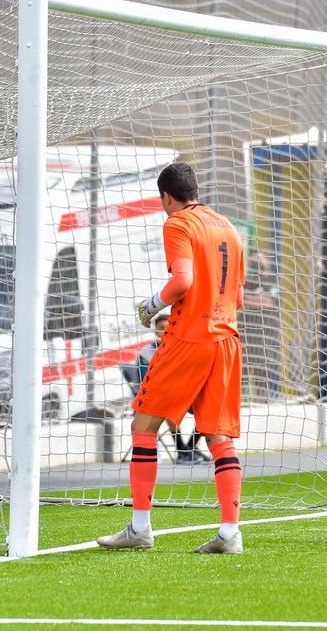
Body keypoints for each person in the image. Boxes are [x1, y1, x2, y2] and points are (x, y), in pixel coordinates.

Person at [96, 161, 246, 554]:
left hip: (188, 340)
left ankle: (140, 527)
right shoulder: (227, 226)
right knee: (218, 439)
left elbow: (183, 281)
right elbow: (238, 297)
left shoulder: (177, 224)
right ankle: (230, 534)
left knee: (144, 427)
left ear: (166, 197)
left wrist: (149, 307)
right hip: (227, 339)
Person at [134, 313, 209, 464]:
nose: (166, 330)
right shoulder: (146, 354)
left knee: (209, 409)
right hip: (158, 398)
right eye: (161, 328)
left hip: (186, 395)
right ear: (156, 332)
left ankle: (190, 448)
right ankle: (183, 451)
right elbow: (146, 383)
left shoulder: (185, 348)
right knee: (167, 404)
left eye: (169, 326)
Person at [239, 248, 280, 400]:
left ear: (267, 261)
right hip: (246, 335)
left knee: (263, 376)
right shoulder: (244, 282)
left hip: (267, 338)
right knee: (241, 373)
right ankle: (240, 404)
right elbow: (240, 302)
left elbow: (272, 302)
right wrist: (258, 300)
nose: (257, 263)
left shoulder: (274, 281)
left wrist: (250, 300)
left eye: (260, 259)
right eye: (254, 260)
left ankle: (263, 403)